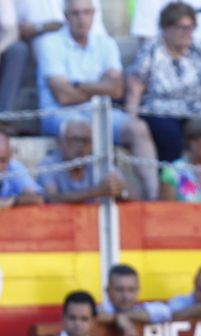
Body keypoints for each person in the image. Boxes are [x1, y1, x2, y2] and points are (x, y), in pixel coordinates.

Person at [35, 0, 159, 195]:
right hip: (60, 114)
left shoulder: (105, 43)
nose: (81, 19)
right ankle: (91, 195)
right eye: (75, 13)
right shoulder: (49, 43)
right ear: (66, 16)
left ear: (94, 14)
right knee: (81, 131)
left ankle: (153, 197)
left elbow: (117, 90)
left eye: (86, 12)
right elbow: (63, 96)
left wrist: (78, 85)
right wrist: (100, 86)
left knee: (138, 129)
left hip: (99, 112)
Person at [126, 2, 201, 163]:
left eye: (191, 27)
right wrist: (131, 120)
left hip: (195, 110)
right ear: (166, 28)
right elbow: (135, 89)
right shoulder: (151, 51)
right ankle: (172, 184)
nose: (187, 33)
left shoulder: (200, 50)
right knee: (170, 134)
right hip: (160, 111)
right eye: (182, 28)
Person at [41, 119, 132, 202]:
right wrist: (97, 192)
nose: (81, 146)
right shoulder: (49, 164)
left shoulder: (98, 163)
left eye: (87, 140)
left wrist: (121, 192)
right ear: (61, 142)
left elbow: (132, 195)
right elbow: (52, 199)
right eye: (76, 140)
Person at [98, 263, 172, 336]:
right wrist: (116, 318)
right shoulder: (101, 310)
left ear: (138, 290)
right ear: (108, 291)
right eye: (119, 290)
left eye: (131, 290)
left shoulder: (140, 309)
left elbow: (165, 311)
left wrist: (122, 316)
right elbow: (95, 316)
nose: (125, 296)